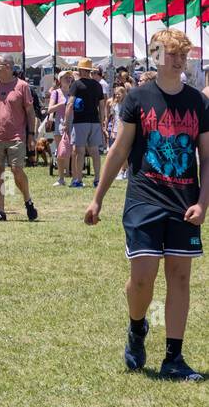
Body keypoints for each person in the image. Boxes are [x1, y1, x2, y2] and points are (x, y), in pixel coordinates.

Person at [86, 28, 208, 381]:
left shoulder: (199, 103)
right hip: (144, 199)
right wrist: (98, 198)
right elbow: (120, 150)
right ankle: (137, 328)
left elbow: (207, 158)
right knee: (141, 280)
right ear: (155, 56)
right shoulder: (138, 98)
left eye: (183, 53)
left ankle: (174, 357)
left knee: (180, 277)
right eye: (171, 53)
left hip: (184, 202)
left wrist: (203, 204)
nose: (178, 59)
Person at [0, 55, 39, 222]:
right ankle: (0, 210)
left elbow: (30, 112)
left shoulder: (22, 86)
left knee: (16, 170)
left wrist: (31, 135)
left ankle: (28, 200)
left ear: (7, 66)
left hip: (16, 136)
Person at [66, 59, 108, 187]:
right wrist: (102, 122)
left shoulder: (76, 84)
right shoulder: (97, 85)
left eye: (79, 69)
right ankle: (97, 179)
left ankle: (78, 180)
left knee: (79, 151)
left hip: (80, 122)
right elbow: (102, 105)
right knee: (95, 151)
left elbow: (70, 103)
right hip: (94, 121)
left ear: (82, 70)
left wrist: (66, 122)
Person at [47, 71, 75, 185]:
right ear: (60, 80)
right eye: (65, 77)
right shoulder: (56, 93)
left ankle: (71, 174)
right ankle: (61, 178)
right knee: (60, 151)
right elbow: (50, 109)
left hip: (73, 124)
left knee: (73, 151)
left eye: (69, 77)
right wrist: (61, 105)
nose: (68, 79)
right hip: (60, 124)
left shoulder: (74, 92)